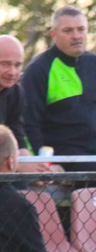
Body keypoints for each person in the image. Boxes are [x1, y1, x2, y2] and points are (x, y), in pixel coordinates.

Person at [21, 6, 96, 175]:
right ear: (53, 34)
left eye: (81, 29)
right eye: (68, 31)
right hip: (65, 154)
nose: (77, 36)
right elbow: (30, 121)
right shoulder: (39, 69)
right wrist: (45, 162)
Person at [0, 35, 55, 178]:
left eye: (17, 65)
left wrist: (34, 167)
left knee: (26, 182)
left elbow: (17, 136)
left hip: (6, 165)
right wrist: (18, 165)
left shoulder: (16, 93)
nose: (12, 72)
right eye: (5, 64)